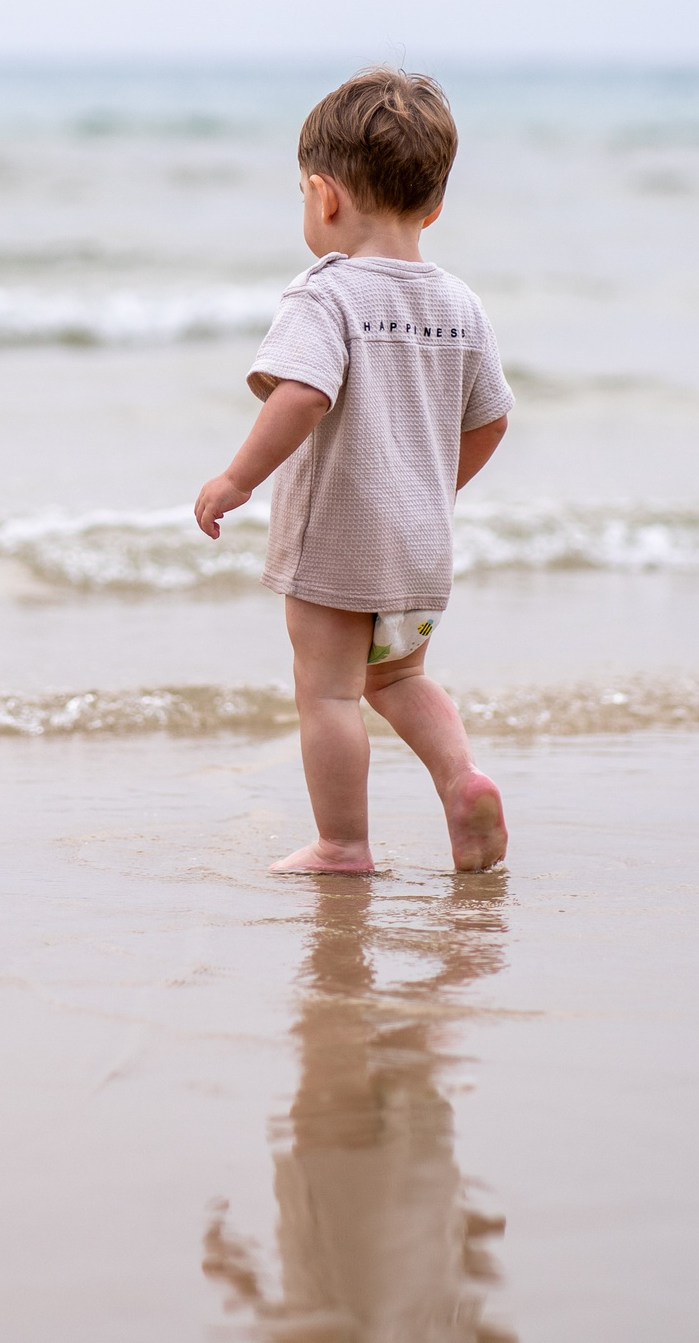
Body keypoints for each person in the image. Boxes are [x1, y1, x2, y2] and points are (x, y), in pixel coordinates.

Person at [193, 69, 513, 875]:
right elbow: (493, 419)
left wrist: (238, 479)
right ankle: (460, 778)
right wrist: (432, 492)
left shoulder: (325, 295)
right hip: (420, 547)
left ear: (322, 195)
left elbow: (301, 394)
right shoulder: (459, 302)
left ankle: (343, 845)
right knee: (401, 677)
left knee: (329, 693)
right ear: (434, 206)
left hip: (338, 542)